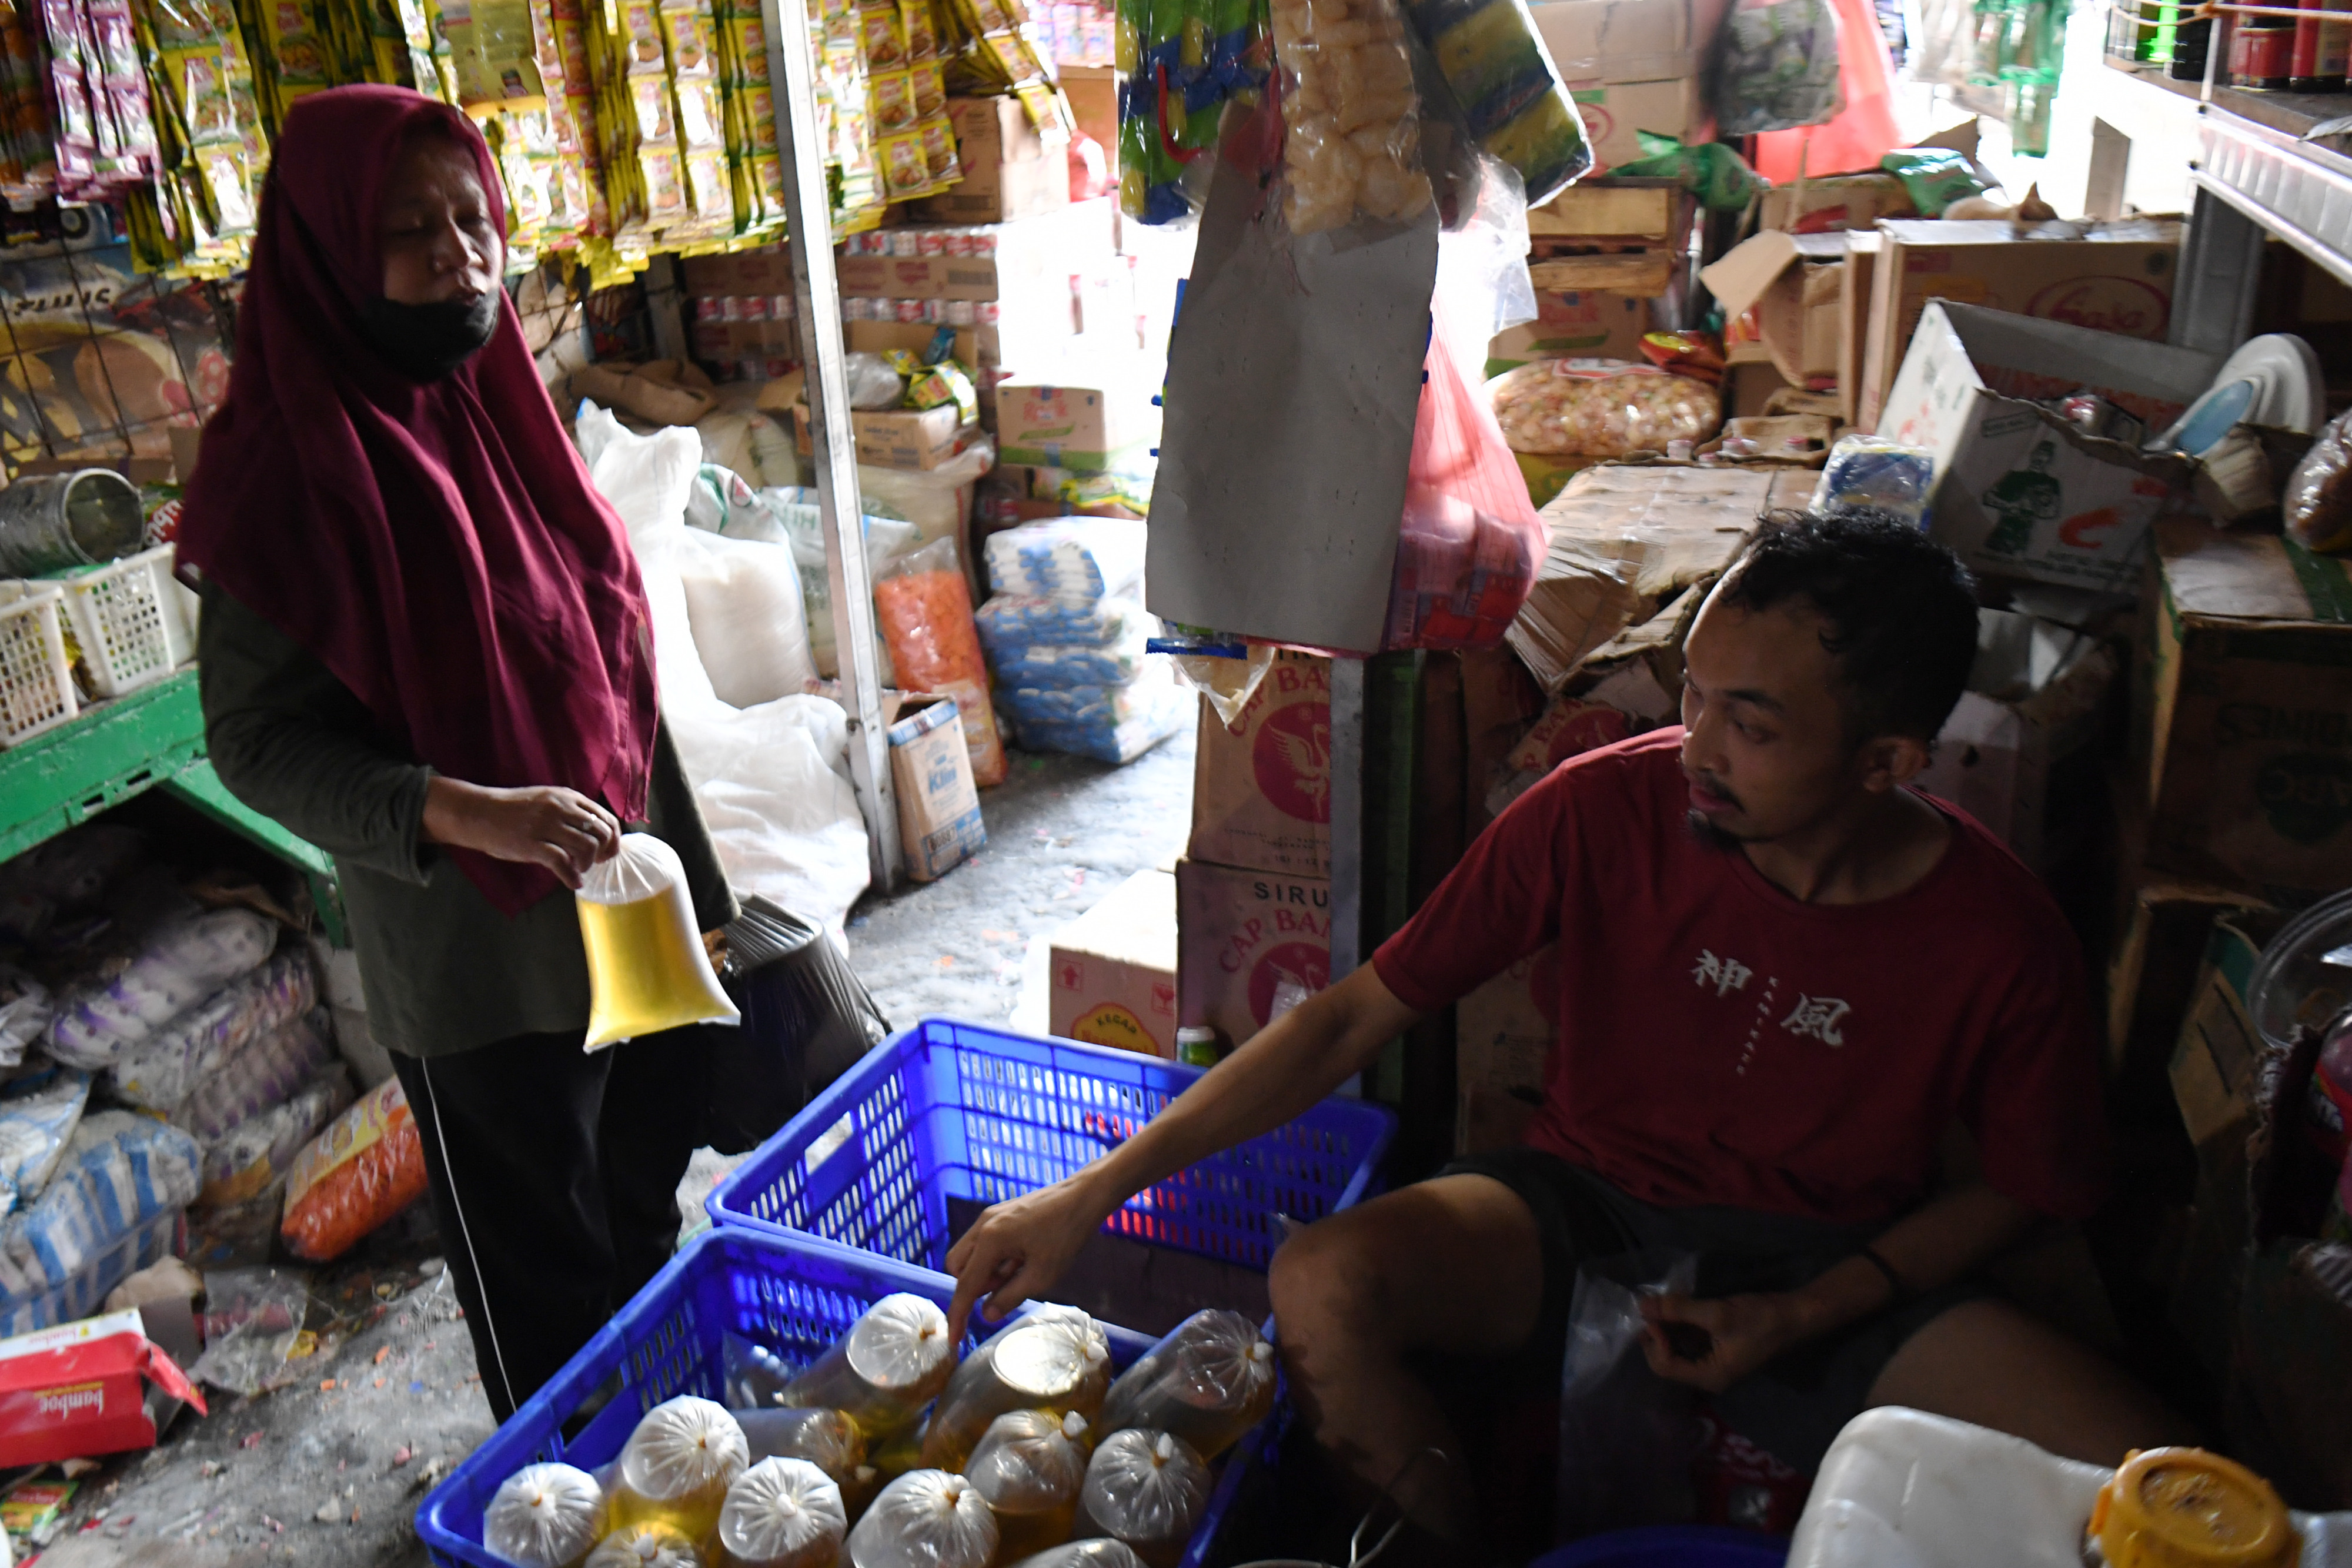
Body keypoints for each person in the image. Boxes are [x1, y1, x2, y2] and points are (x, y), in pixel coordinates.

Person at [946, 512, 2191, 1547]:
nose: (1693, 748)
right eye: (1692, 692)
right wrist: (1088, 1194)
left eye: (1748, 726)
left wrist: (1810, 1310)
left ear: (1886, 761)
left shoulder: (1997, 933)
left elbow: (2029, 1188)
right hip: (1582, 1206)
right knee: (1320, 1277)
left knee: (2162, 1474)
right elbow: (1349, 1017)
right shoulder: (1602, 807)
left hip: (1835, 1260)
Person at [179, 86, 735, 1423]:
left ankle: (672, 1462)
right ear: (324, 246)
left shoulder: (496, 407)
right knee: (544, 1283)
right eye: (409, 227)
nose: (458, 254)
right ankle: (566, 1502)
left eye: (473, 218)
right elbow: (256, 743)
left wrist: (693, 887)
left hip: (623, 918)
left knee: (640, 1209)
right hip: (480, 967)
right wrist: (454, 809)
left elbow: (605, 665)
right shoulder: (284, 478)